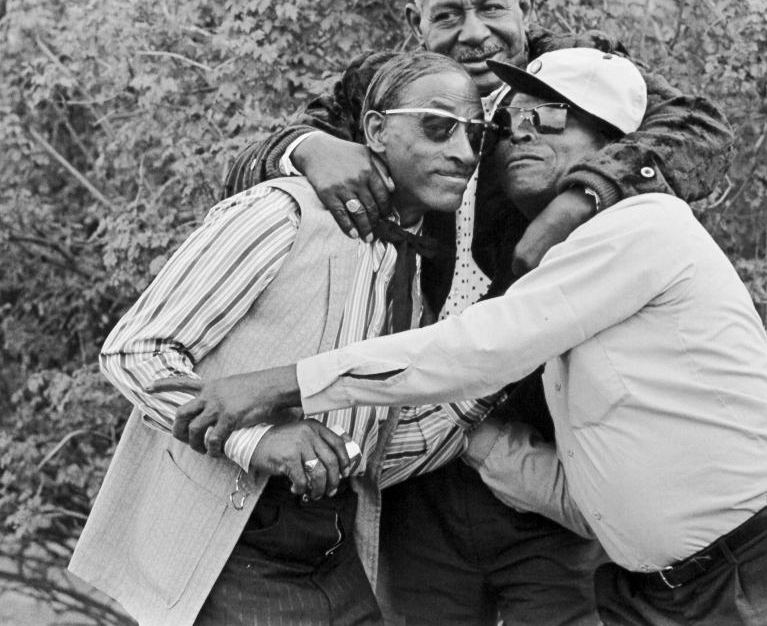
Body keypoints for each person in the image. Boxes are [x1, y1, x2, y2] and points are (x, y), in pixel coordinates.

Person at [157, 47, 767, 626]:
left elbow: (480, 347)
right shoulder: (550, 271)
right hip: (663, 595)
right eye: (513, 121)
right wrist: (465, 438)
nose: (518, 134)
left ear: (618, 144)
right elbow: (587, 483)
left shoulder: (640, 226)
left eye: (550, 119)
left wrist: (281, 384)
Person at [225, 0, 733, 625]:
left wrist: (583, 192)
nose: (475, 34)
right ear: (418, 21)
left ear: (523, 7)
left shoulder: (571, 82)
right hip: (410, 473)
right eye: (448, 15)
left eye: (492, 9)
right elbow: (246, 162)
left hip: (543, 453)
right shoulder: (391, 90)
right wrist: (307, 148)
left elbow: (701, 133)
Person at [69, 51, 503, 626]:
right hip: (232, 544)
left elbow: (373, 456)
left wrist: (504, 361)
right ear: (375, 129)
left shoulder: (415, 267)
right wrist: (260, 439)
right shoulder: (281, 215)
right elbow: (136, 351)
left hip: (334, 552)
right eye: (438, 125)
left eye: (475, 134)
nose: (464, 153)